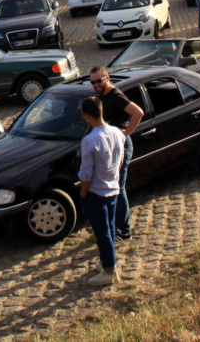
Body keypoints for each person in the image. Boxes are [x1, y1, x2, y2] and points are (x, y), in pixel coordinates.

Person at [89, 66, 144, 244]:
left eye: (99, 81)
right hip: (110, 145)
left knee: (118, 188)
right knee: (111, 187)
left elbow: (138, 113)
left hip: (121, 145)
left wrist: (125, 133)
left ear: (107, 78)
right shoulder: (103, 96)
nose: (96, 84)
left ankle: (125, 230)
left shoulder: (115, 95)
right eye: (93, 82)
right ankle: (114, 226)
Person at [78, 96, 125, 286]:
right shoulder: (117, 132)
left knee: (102, 231)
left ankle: (109, 269)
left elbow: (86, 173)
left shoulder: (90, 140)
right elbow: (121, 160)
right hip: (113, 188)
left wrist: (83, 193)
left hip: (97, 193)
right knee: (111, 228)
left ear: (87, 115)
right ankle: (107, 260)